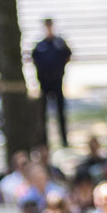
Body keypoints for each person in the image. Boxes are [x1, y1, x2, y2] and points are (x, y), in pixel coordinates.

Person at [31, 18, 73, 149]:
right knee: (43, 114)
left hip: (57, 82)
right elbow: (34, 58)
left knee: (60, 111)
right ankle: (44, 140)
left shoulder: (59, 43)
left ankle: (64, 139)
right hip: (44, 83)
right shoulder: (40, 45)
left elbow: (67, 55)